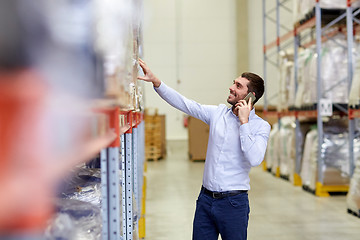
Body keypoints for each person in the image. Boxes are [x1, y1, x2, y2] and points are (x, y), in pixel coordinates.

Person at [137, 58, 270, 240]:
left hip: (233, 204)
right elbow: (185, 104)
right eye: (233, 82)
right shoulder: (218, 114)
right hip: (205, 200)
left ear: (250, 96)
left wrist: (244, 122)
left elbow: (255, 159)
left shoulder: (260, 126)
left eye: (238, 86)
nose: (231, 87)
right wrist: (157, 83)